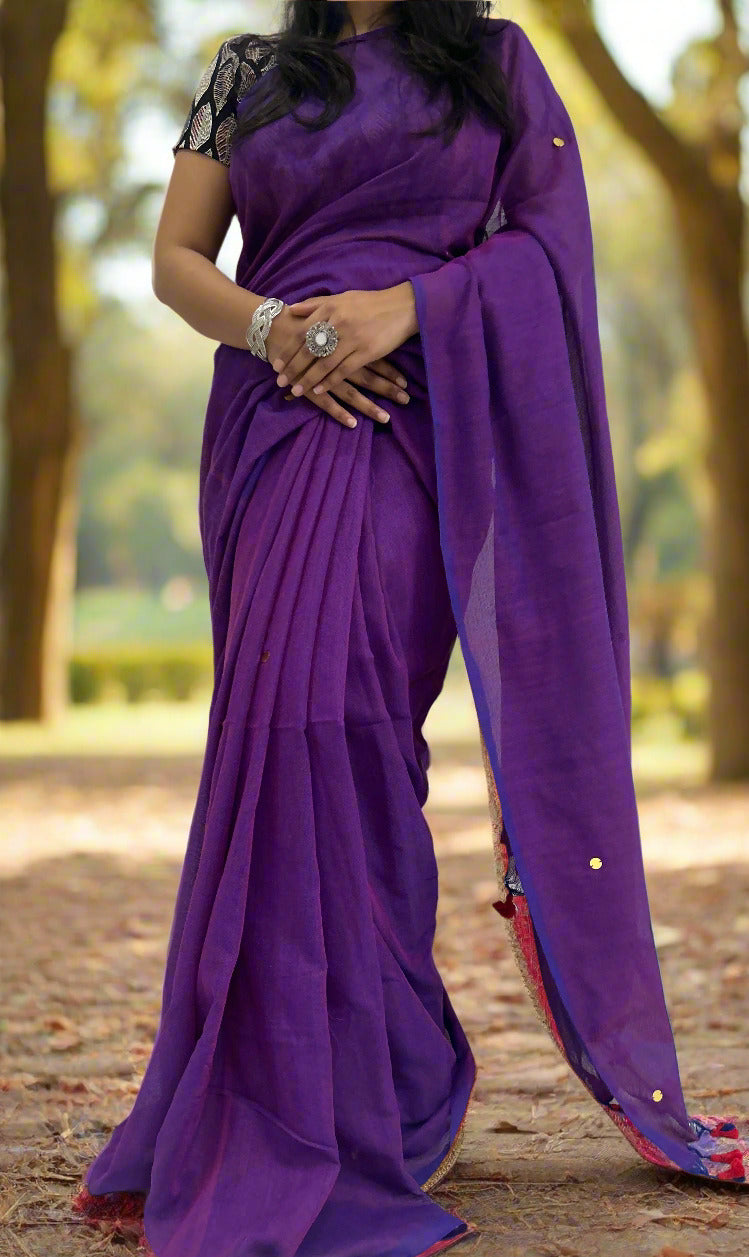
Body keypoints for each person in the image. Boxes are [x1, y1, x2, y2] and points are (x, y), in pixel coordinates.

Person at [71, 3, 748, 1255]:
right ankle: (334, 1073)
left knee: (351, 727)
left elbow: (551, 251)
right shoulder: (246, 74)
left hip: (419, 423)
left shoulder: (494, 62)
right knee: (279, 732)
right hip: (273, 427)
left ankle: (362, 1072)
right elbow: (178, 258)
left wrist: (405, 309)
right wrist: (277, 327)